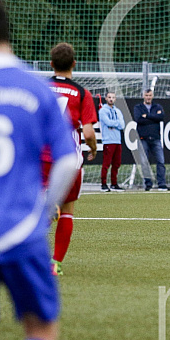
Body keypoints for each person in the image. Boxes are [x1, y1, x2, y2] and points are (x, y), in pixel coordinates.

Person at [0, 0, 78, 340]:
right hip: (22, 230)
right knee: (41, 330)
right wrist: (42, 210)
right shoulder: (37, 87)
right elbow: (68, 162)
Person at [45, 42, 98, 276]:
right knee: (68, 210)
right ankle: (55, 263)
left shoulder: (41, 88)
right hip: (69, 159)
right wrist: (93, 148)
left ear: (51, 64)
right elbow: (87, 133)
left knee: (34, 207)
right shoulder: (82, 93)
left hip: (41, 157)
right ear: (74, 64)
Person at [134, 89, 169, 191]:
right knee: (144, 162)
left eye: (150, 95)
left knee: (161, 161)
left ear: (152, 96)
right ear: (143, 96)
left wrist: (147, 116)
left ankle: (162, 184)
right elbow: (139, 119)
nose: (148, 97)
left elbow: (161, 116)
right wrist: (154, 118)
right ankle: (148, 184)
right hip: (143, 138)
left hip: (156, 138)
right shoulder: (138, 107)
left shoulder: (157, 106)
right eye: (146, 95)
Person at [98, 91, 125, 192]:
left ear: (115, 99)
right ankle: (103, 184)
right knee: (106, 163)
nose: (111, 99)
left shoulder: (118, 111)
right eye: (109, 97)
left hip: (117, 140)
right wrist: (116, 124)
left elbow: (122, 125)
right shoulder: (103, 111)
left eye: (113, 97)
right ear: (106, 98)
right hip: (108, 140)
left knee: (116, 163)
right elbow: (108, 122)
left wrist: (115, 124)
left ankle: (114, 183)